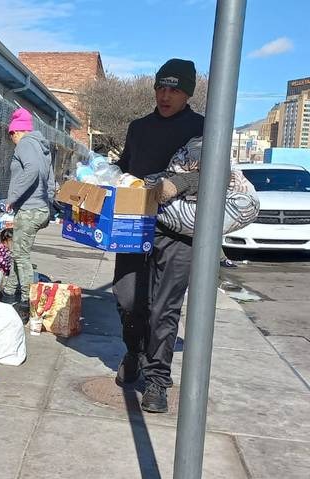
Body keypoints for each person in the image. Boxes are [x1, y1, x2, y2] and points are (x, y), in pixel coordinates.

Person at [113, 58, 205, 413]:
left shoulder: (203, 127)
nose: (165, 95)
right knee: (127, 299)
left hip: (179, 231)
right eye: (161, 88)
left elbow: (219, 174)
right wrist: (102, 176)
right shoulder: (138, 127)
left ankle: (157, 381)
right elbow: (126, 166)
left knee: (164, 308)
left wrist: (177, 183)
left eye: (175, 89)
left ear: (188, 93)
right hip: (136, 225)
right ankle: (133, 353)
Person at [0, 108, 57, 313]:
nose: (11, 139)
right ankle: (8, 293)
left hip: (28, 209)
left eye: (11, 135)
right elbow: (50, 180)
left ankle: (26, 302)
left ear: (16, 131)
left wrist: (12, 198)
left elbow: (31, 170)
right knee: (18, 253)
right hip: (40, 209)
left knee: (21, 256)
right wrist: (48, 205)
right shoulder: (43, 148)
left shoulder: (24, 144)